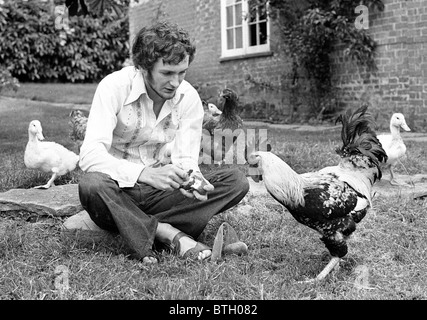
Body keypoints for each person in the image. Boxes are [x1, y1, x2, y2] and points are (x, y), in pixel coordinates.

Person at [78, 21, 250, 264]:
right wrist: (144, 173)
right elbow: (89, 155)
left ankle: (138, 225)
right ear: (143, 67)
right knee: (92, 185)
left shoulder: (188, 97)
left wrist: (192, 179)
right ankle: (168, 232)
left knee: (236, 181)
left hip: (161, 191)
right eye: (167, 73)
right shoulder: (114, 87)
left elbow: (186, 158)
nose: (176, 82)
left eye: (182, 72)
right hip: (115, 187)